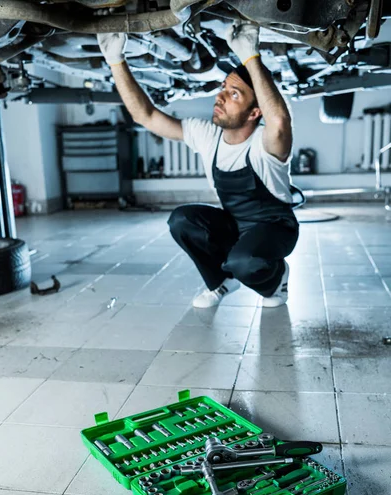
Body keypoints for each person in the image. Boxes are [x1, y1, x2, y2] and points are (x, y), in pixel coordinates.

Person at [98, 21, 299, 308]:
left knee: (245, 261)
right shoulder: (208, 136)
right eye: (223, 88)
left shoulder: (265, 144)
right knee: (182, 220)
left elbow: (279, 122)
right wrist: (115, 60)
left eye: (234, 94)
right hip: (236, 225)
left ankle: (276, 280)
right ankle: (220, 282)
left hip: (275, 229)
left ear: (255, 111)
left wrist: (251, 57)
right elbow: (147, 116)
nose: (220, 96)